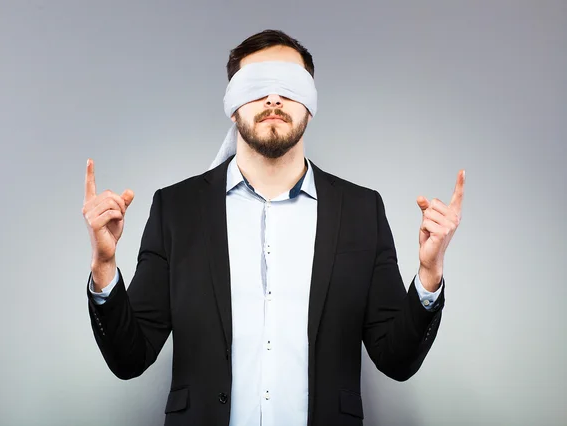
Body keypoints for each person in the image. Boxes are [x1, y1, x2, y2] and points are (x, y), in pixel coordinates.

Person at [82, 29, 465, 426]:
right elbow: (130, 357)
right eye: (256, 86)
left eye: (289, 85)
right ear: (232, 106)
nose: (273, 98)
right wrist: (105, 267)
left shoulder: (361, 211)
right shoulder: (176, 210)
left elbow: (396, 358)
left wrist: (429, 275)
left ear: (310, 105)